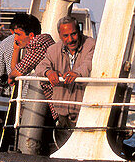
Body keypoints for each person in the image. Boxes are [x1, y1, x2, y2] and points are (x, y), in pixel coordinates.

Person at [36, 15, 96, 144]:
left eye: (73, 34)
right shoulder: (53, 50)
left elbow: (88, 63)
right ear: (60, 36)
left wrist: (78, 73)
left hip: (84, 112)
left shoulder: (90, 44)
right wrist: (48, 72)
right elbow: (40, 67)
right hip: (62, 114)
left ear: (79, 32)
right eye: (66, 36)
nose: (70, 39)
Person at [7, 14, 54, 87]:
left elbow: (18, 71)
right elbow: (15, 70)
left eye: (18, 35)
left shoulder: (38, 44)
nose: (15, 39)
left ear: (31, 35)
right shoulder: (44, 40)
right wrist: (16, 49)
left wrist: (10, 77)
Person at [0, 13, 33, 87]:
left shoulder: (5, 43)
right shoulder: (40, 40)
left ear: (11, 30)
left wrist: (8, 81)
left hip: (17, 93)